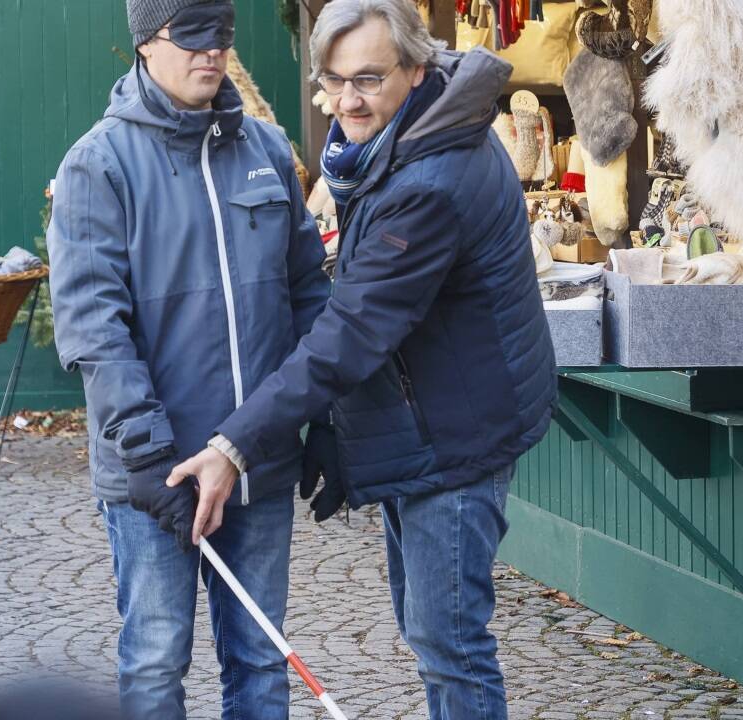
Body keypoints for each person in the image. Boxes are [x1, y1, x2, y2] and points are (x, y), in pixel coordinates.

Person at [170, 1, 557, 717]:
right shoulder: (403, 138)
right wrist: (337, 428)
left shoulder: (430, 182)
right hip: (428, 417)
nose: (347, 99)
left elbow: (350, 332)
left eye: (369, 79)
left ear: (416, 69)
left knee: (450, 644)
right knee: (431, 633)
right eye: (335, 79)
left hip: (456, 435)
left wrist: (232, 445)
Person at [45, 0, 331, 717]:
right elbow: (93, 328)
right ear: (146, 42)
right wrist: (147, 455)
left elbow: (307, 294)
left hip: (258, 463)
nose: (213, 51)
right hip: (159, 475)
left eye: (223, 33)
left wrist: (326, 418)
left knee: (260, 662)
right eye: (194, 34)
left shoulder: (267, 151)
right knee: (154, 663)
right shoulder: (98, 165)